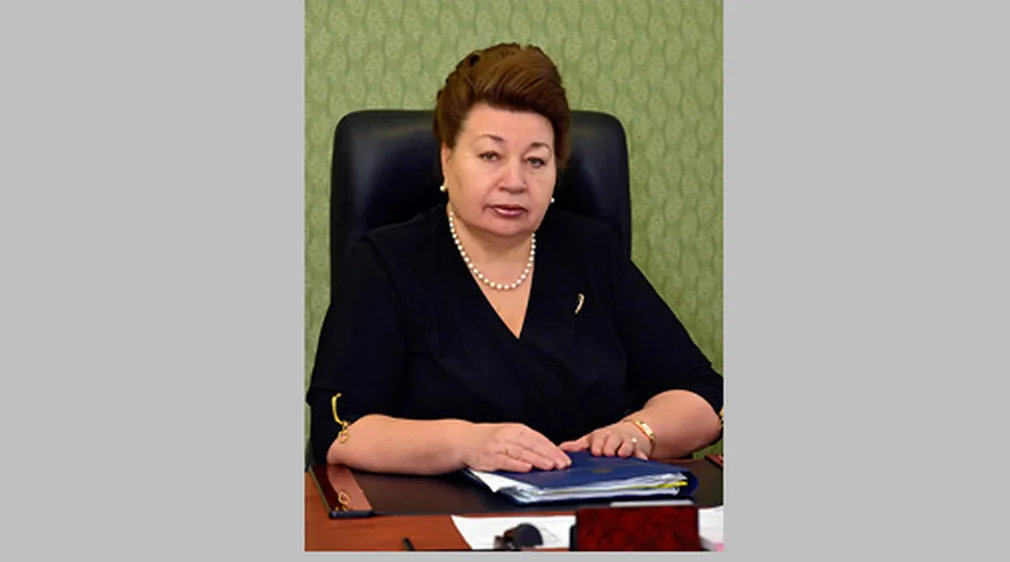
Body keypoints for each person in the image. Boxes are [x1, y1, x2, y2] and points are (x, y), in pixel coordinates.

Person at [306, 42, 723, 476]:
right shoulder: (387, 263)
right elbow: (339, 430)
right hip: (440, 512)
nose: (515, 181)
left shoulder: (592, 252)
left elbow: (704, 395)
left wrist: (639, 432)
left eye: (536, 161)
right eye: (490, 156)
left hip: (589, 507)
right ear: (447, 160)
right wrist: (465, 443)